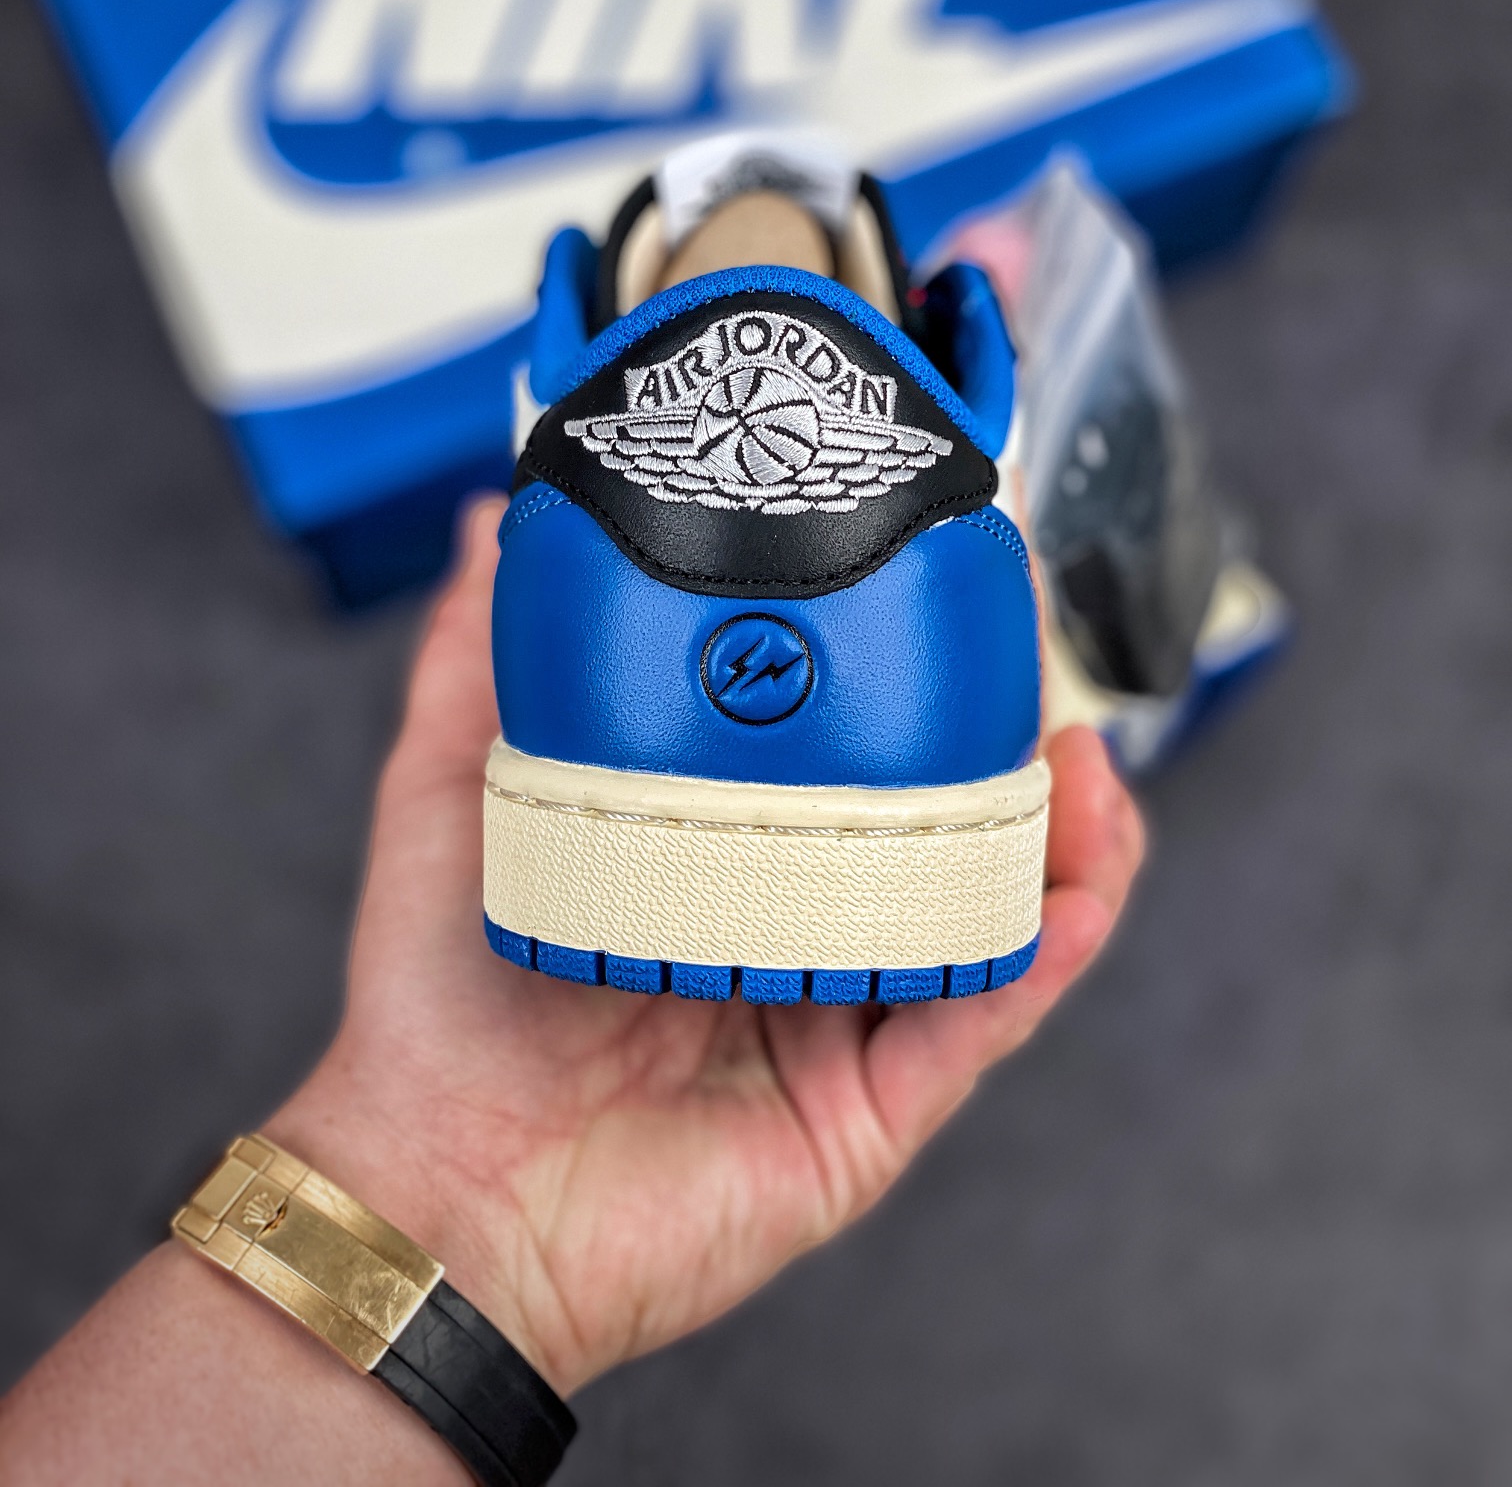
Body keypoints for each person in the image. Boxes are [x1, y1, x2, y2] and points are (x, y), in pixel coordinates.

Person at [0, 496, 1144, 1482]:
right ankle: (919, 576)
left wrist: (445, 1187)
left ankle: (619, 556)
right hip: (919, 667)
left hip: (614, 646)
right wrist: (485, 1229)